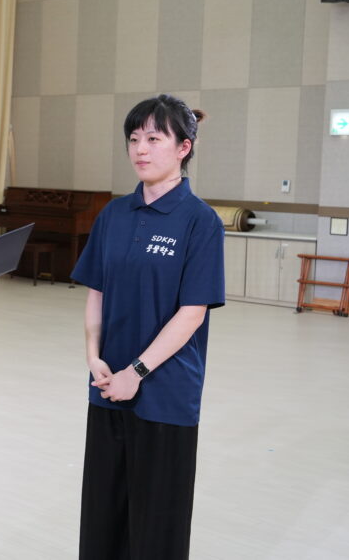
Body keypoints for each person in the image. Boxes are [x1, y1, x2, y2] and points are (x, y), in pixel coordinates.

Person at [71, 94, 225, 560]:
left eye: (154, 139)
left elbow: (192, 312)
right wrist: (94, 357)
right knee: (103, 514)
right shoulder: (114, 215)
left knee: (157, 521)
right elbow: (96, 292)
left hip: (165, 391)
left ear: (183, 147)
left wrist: (136, 372)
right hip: (108, 384)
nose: (140, 149)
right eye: (134, 139)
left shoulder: (200, 221)